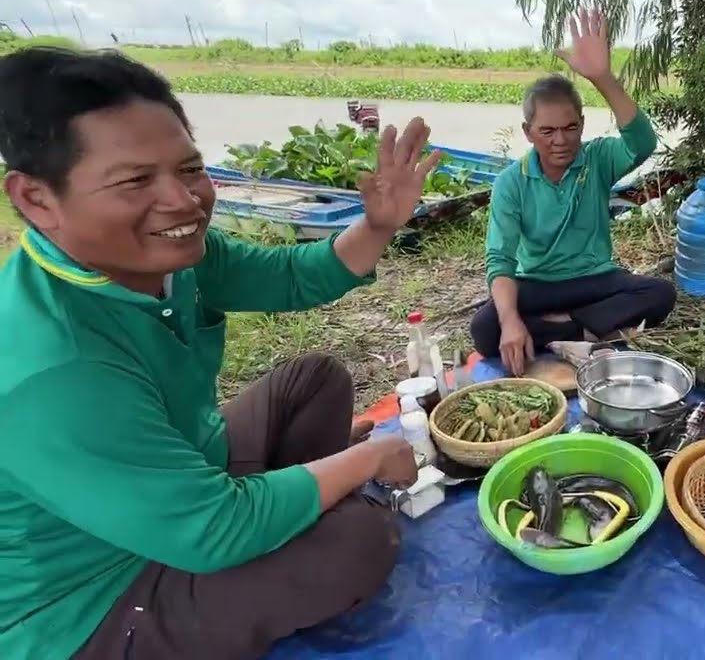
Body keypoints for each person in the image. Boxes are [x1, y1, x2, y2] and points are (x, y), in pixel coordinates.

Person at [0, 46, 439, 659]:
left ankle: (275, 522)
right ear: (37, 199)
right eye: (133, 181)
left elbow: (295, 275)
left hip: (182, 485)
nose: (182, 202)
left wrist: (380, 223)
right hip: (95, 595)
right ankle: (277, 538)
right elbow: (210, 530)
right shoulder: (48, 367)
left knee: (314, 381)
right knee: (359, 541)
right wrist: (367, 460)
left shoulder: (174, 255)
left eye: (188, 169)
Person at [471, 7, 677, 375]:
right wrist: (510, 319)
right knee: (486, 328)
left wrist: (602, 77)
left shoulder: (597, 159)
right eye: (547, 131)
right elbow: (500, 261)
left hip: (595, 279)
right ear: (528, 132)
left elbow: (642, 142)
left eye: (570, 128)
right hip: (537, 283)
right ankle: (586, 329)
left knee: (661, 295)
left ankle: (561, 327)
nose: (560, 141)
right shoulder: (511, 182)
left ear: (582, 125)